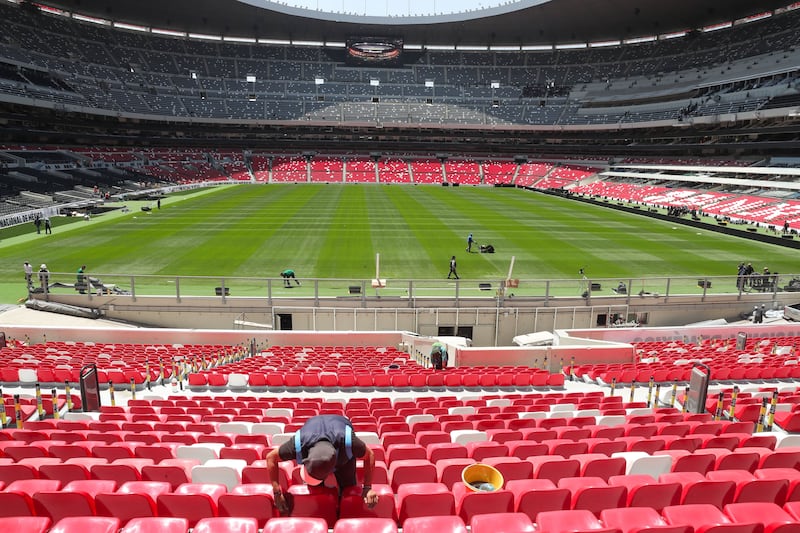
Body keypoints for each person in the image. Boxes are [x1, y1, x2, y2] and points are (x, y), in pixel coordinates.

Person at [265, 414, 379, 514]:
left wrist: (368, 488)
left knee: (348, 489)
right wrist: (277, 493)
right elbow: (271, 457)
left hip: (340, 439)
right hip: (314, 428)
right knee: (317, 493)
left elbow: (370, 455)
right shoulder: (298, 443)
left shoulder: (349, 443)